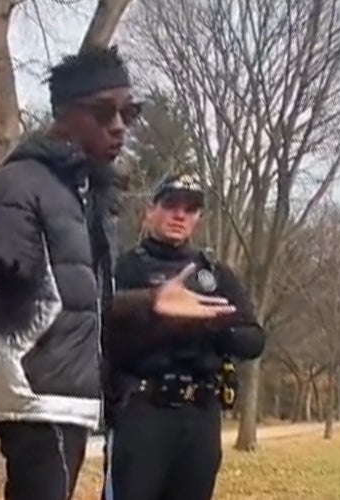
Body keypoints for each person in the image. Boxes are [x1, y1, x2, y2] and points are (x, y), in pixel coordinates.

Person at [0, 46, 236, 500]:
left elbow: (88, 298)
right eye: (103, 112)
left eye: (129, 113)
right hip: (36, 391)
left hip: (69, 392)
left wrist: (150, 302)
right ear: (65, 114)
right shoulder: (22, 182)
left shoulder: (87, 192)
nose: (119, 126)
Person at [101, 173, 267, 500]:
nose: (180, 215)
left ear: (198, 219)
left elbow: (254, 340)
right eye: (171, 205)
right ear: (150, 211)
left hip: (200, 414)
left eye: (190, 209)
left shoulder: (215, 274)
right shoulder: (125, 268)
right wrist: (162, 318)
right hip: (143, 410)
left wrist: (211, 325)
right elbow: (105, 339)